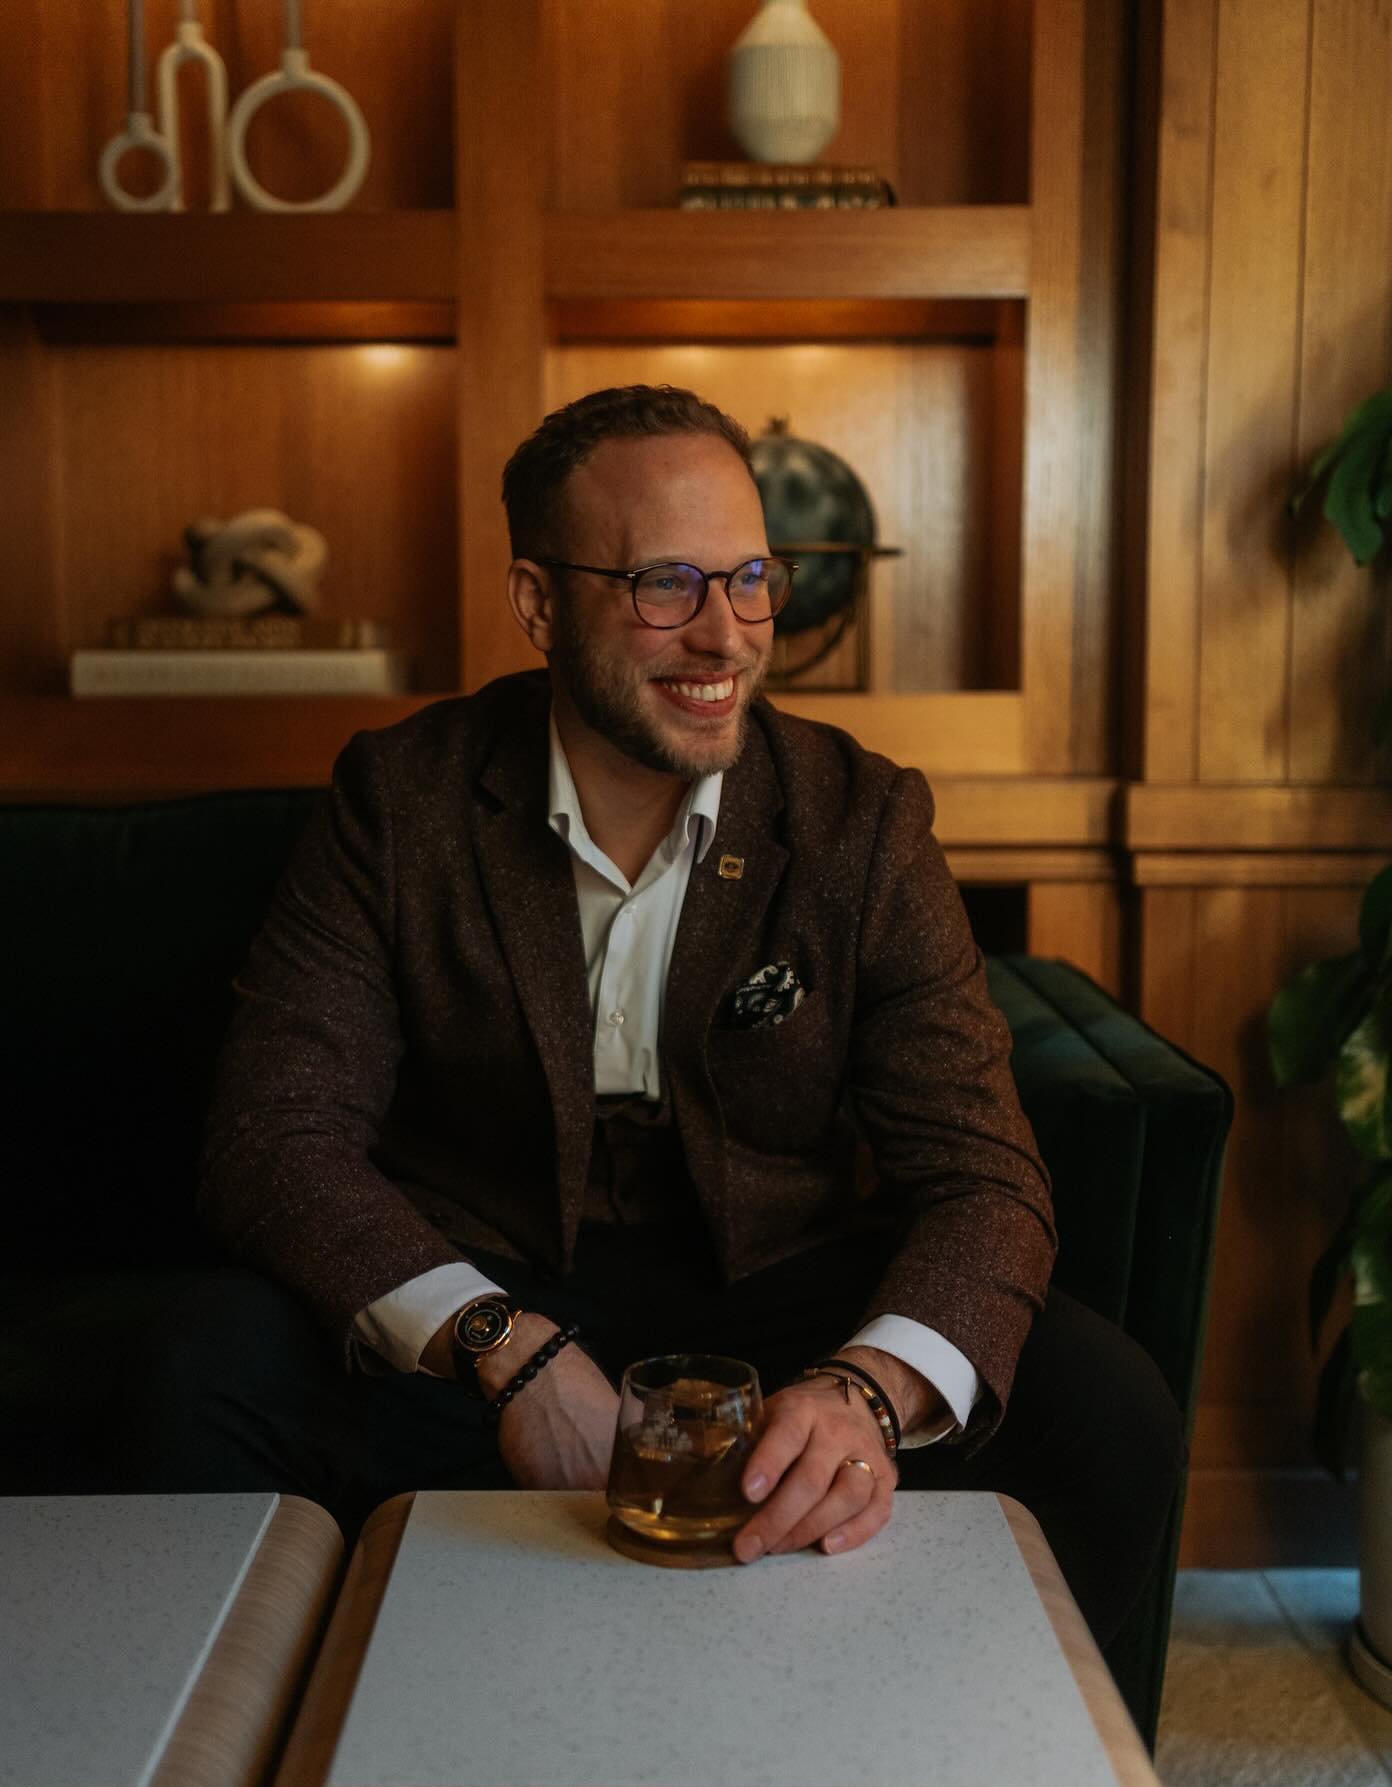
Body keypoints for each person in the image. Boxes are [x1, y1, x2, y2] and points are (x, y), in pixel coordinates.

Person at [178, 384, 1179, 1674]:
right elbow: (272, 1137)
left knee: (1108, 1408)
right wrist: (500, 1347)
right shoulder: (400, 796)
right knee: (203, 1366)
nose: (726, 635)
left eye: (752, 577)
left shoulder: (862, 818)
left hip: (776, 1297)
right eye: (664, 583)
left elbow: (983, 1174)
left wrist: (864, 1395)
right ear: (540, 601)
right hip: (484, 1285)